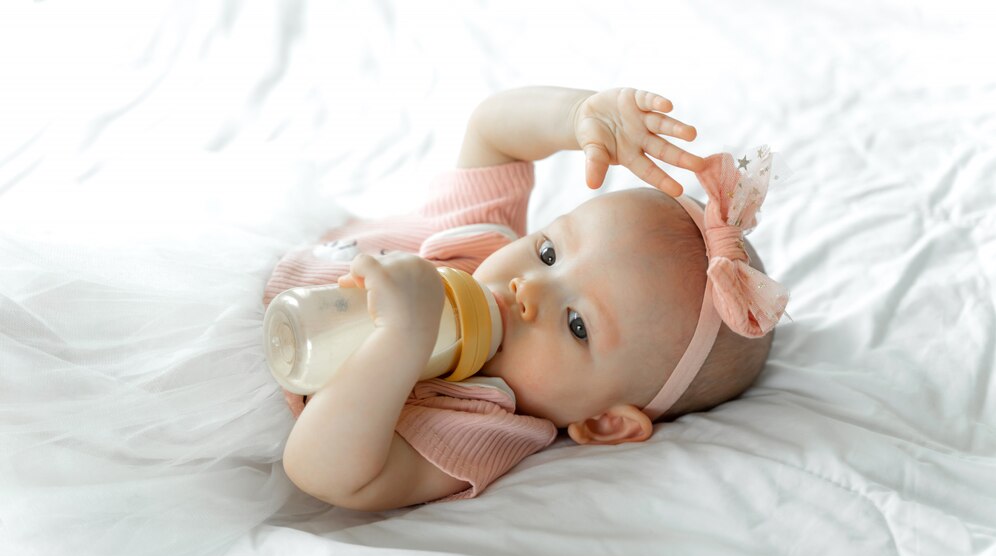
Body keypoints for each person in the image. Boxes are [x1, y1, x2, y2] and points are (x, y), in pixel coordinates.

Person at [264, 86, 789, 511]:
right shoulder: (475, 243)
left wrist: (403, 337)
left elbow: (325, 475)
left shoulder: (485, 424)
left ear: (605, 422)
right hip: (244, 267)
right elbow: (492, 132)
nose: (529, 289)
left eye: (577, 324)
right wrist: (579, 114)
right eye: (547, 251)